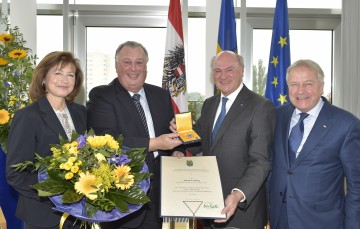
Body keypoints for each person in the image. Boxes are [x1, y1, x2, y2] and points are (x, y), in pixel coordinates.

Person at [171, 51, 275, 229]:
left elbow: (260, 162)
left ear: (242, 70)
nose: (223, 76)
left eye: (229, 70)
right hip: (208, 204)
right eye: (217, 71)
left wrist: (237, 195)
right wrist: (180, 145)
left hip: (242, 210)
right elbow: (201, 142)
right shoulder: (209, 104)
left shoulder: (260, 106)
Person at [86, 40, 182, 229]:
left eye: (139, 62)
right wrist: (156, 143)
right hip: (123, 197)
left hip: (160, 198)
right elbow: (107, 143)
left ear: (146, 67)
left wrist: (175, 151)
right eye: (127, 62)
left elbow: (168, 137)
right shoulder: (102, 96)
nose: (133, 68)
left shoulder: (161, 96)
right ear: (116, 66)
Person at [268, 59, 360, 229]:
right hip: (279, 220)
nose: (300, 90)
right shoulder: (276, 117)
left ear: (321, 86)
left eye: (308, 83)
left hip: (322, 222)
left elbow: (357, 186)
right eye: (294, 84)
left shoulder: (346, 125)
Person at [6, 51, 86, 229]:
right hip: (43, 216)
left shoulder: (81, 113)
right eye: (58, 73)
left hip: (79, 215)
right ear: (43, 78)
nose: (64, 79)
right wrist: (56, 192)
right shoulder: (27, 116)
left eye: (70, 74)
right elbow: (15, 173)